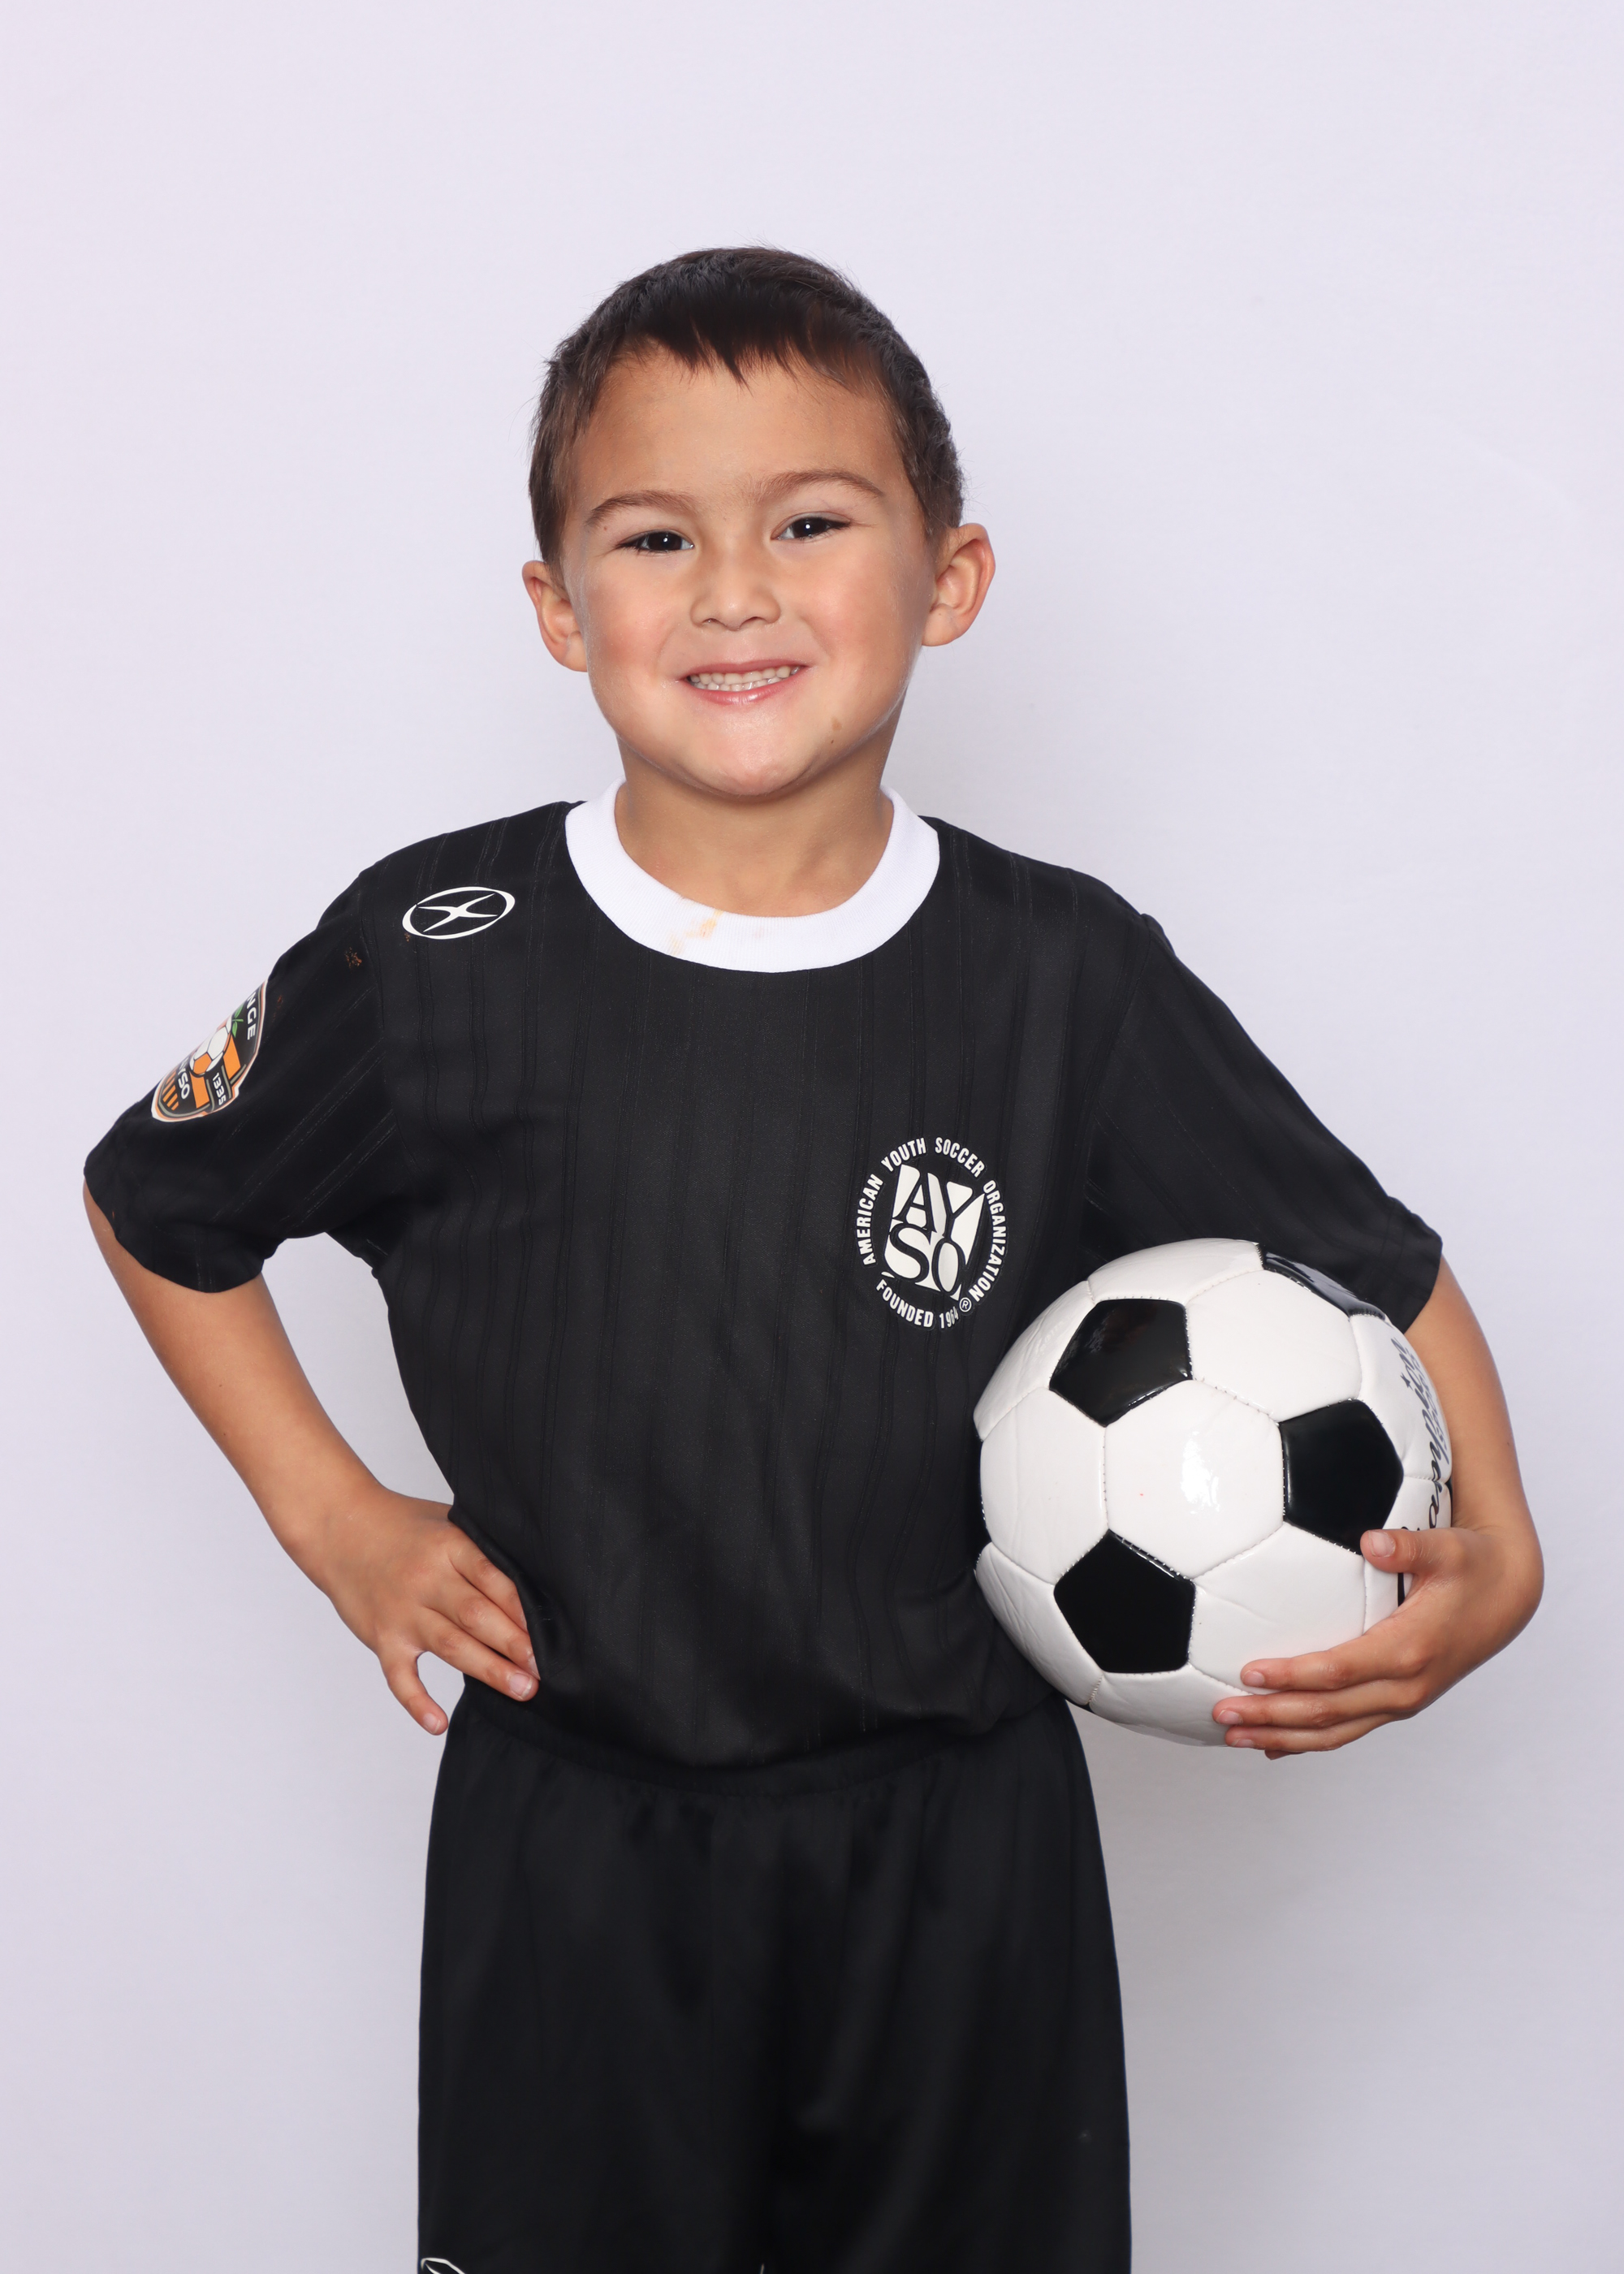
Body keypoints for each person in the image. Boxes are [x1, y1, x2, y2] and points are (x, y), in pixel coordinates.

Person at [84, 248, 1543, 2274]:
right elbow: (158, 1201)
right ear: (557, 606)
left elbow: (1363, 1256)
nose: (732, 591)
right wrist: (332, 1512)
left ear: (949, 576)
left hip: (962, 1847)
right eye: (653, 536)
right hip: (575, 1841)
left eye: (810, 522)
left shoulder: (1060, 978)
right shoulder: (434, 958)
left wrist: (1504, 1545)